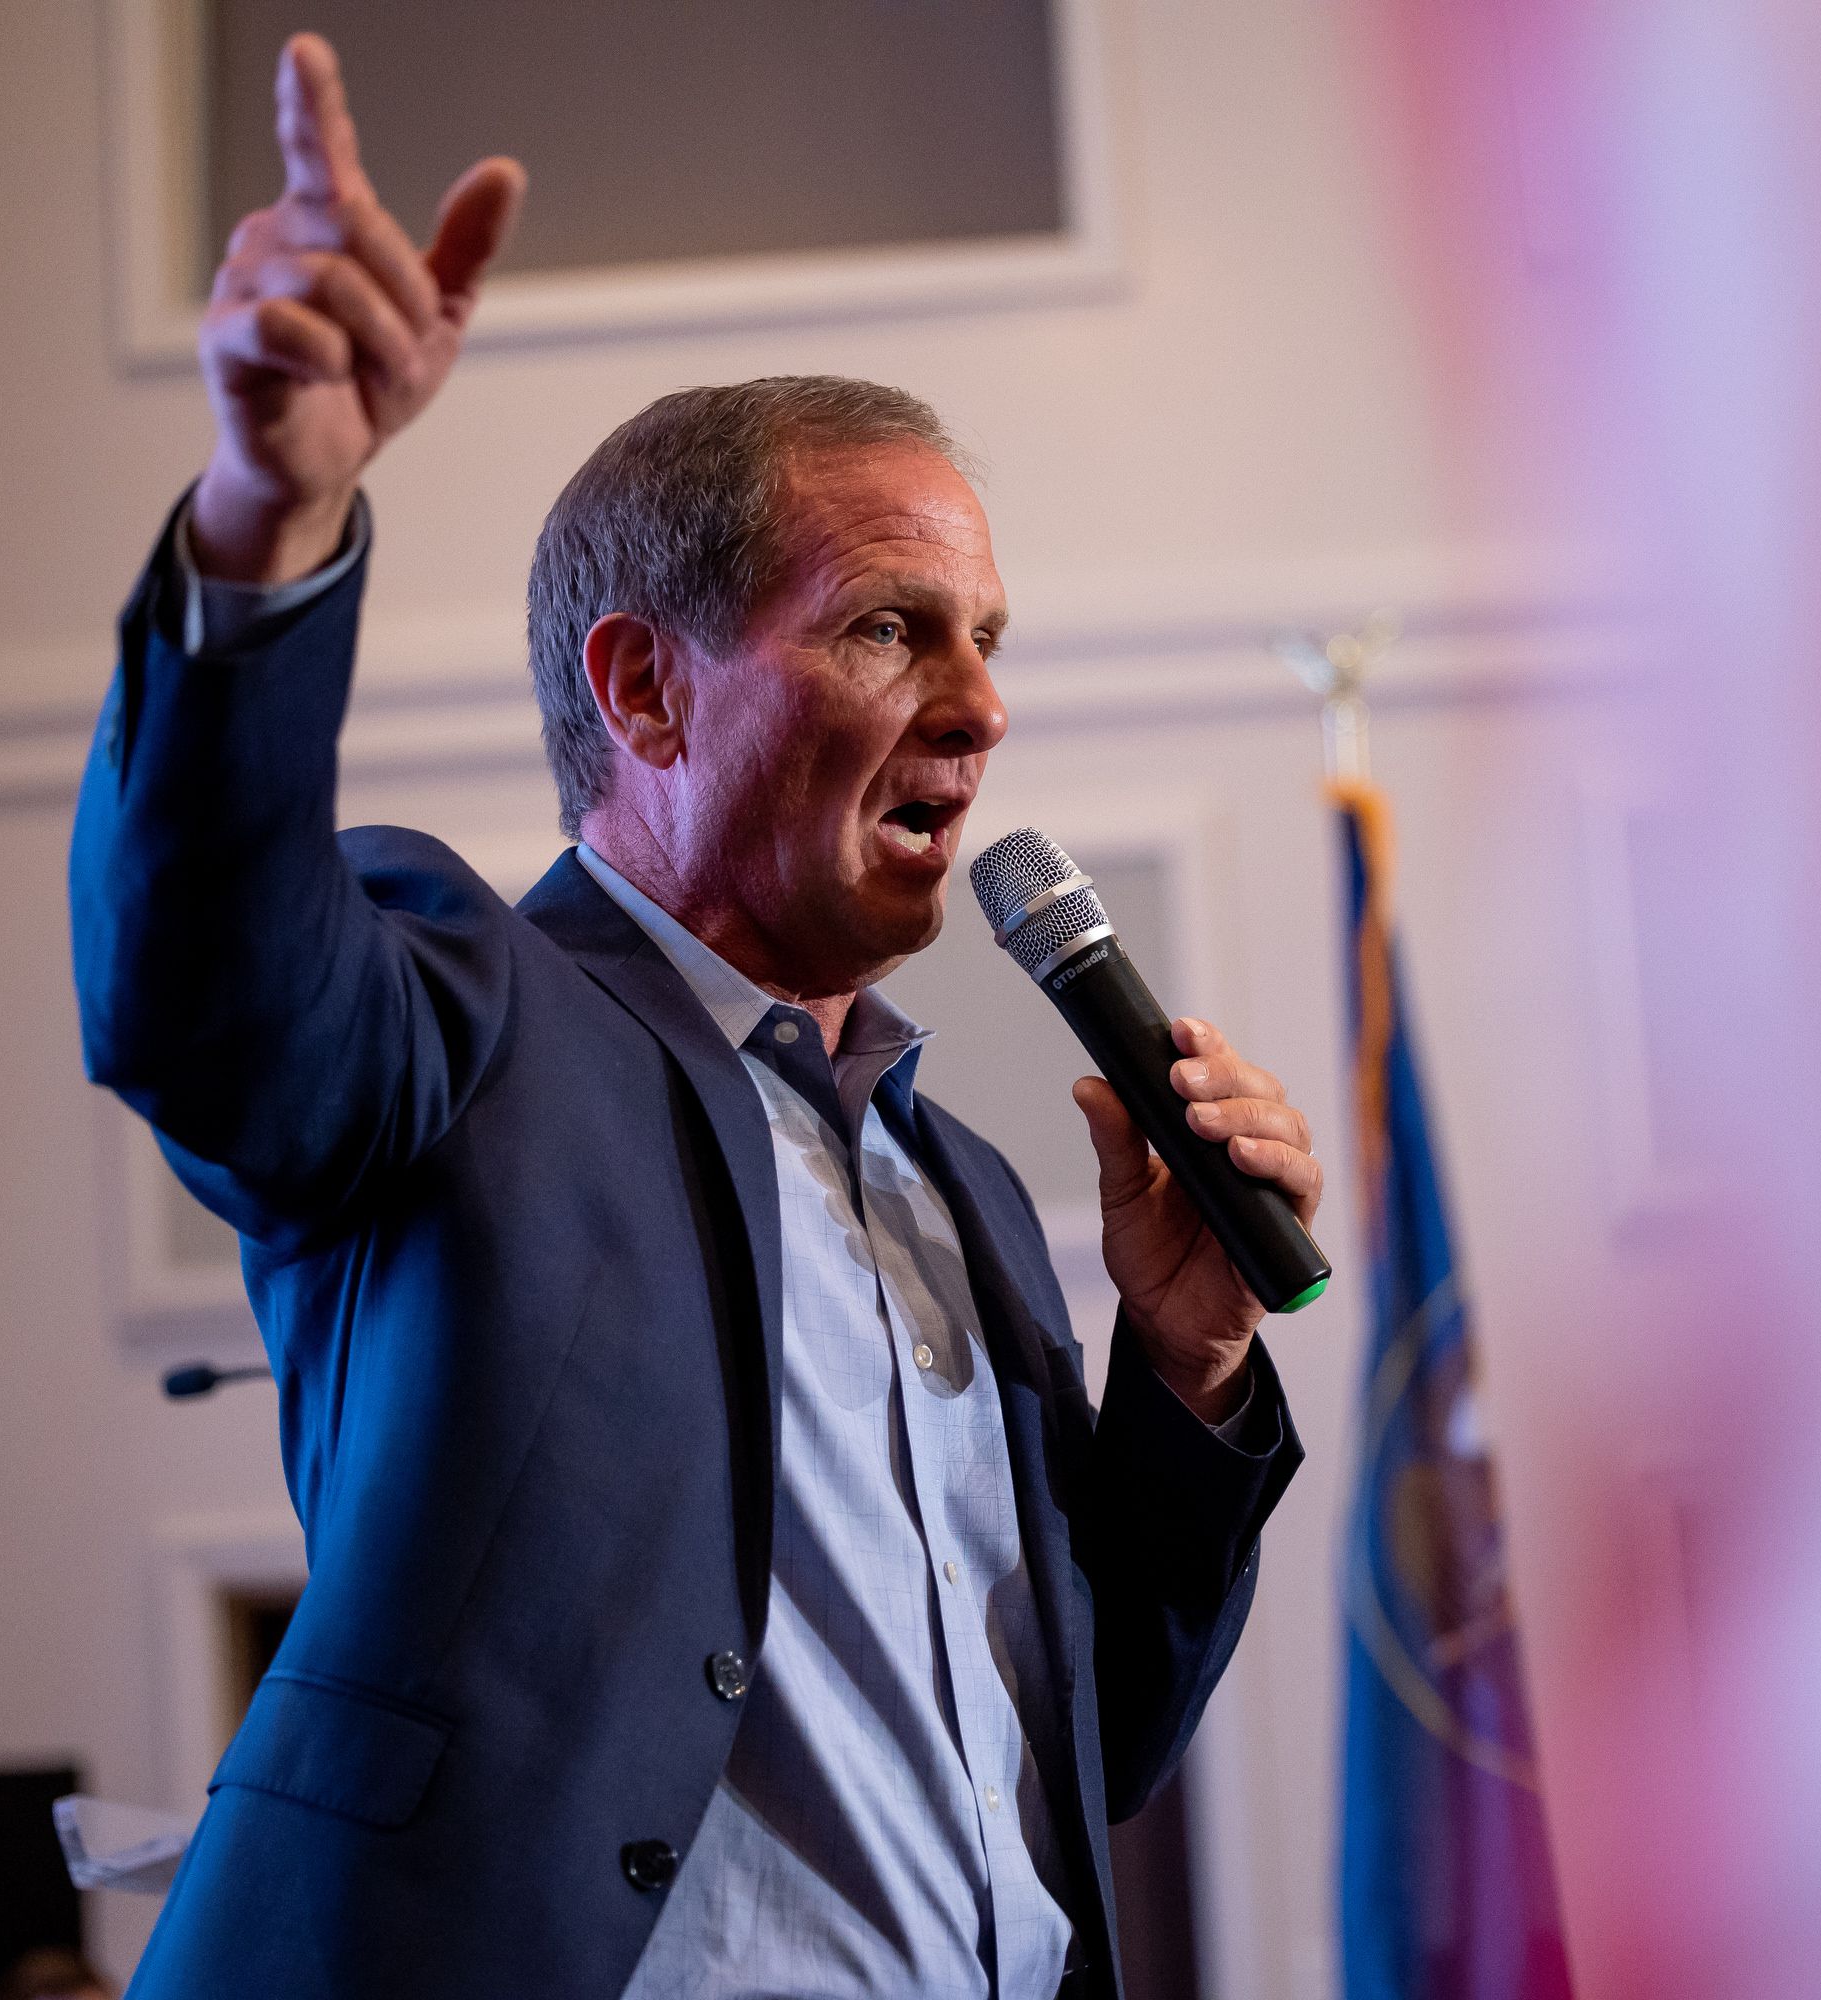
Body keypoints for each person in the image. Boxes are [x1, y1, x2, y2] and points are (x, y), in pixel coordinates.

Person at [70, 34, 1316, 2000]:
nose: (981, 706)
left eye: (988, 641)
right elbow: (202, 996)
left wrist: (1189, 1372)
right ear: (648, 696)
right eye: (891, 625)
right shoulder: (465, 1016)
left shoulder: (969, 1189)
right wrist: (259, 525)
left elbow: (1084, 1753)